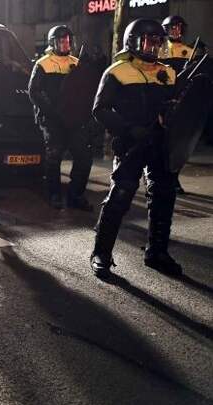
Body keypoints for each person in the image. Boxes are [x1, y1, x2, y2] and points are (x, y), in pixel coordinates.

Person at [90, 19, 182, 279]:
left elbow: (175, 107)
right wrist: (128, 129)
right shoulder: (118, 71)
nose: (153, 48)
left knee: (163, 196)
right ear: (132, 42)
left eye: (157, 43)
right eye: (148, 42)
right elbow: (100, 109)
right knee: (120, 196)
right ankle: (101, 254)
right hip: (131, 145)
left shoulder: (168, 73)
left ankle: (157, 252)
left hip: (160, 145)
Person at [28, 25, 93, 211]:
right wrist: (52, 112)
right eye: (61, 41)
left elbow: (83, 90)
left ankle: (75, 195)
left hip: (73, 118)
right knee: (54, 156)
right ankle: (54, 194)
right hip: (52, 119)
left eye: (67, 41)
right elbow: (34, 91)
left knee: (83, 156)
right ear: (53, 43)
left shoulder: (76, 63)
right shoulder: (43, 64)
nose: (65, 44)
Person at [160, 15, 195, 195]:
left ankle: (174, 177)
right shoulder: (159, 50)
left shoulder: (190, 52)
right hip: (164, 101)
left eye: (178, 27)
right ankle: (161, 177)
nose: (175, 31)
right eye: (172, 28)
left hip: (183, 101)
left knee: (180, 142)